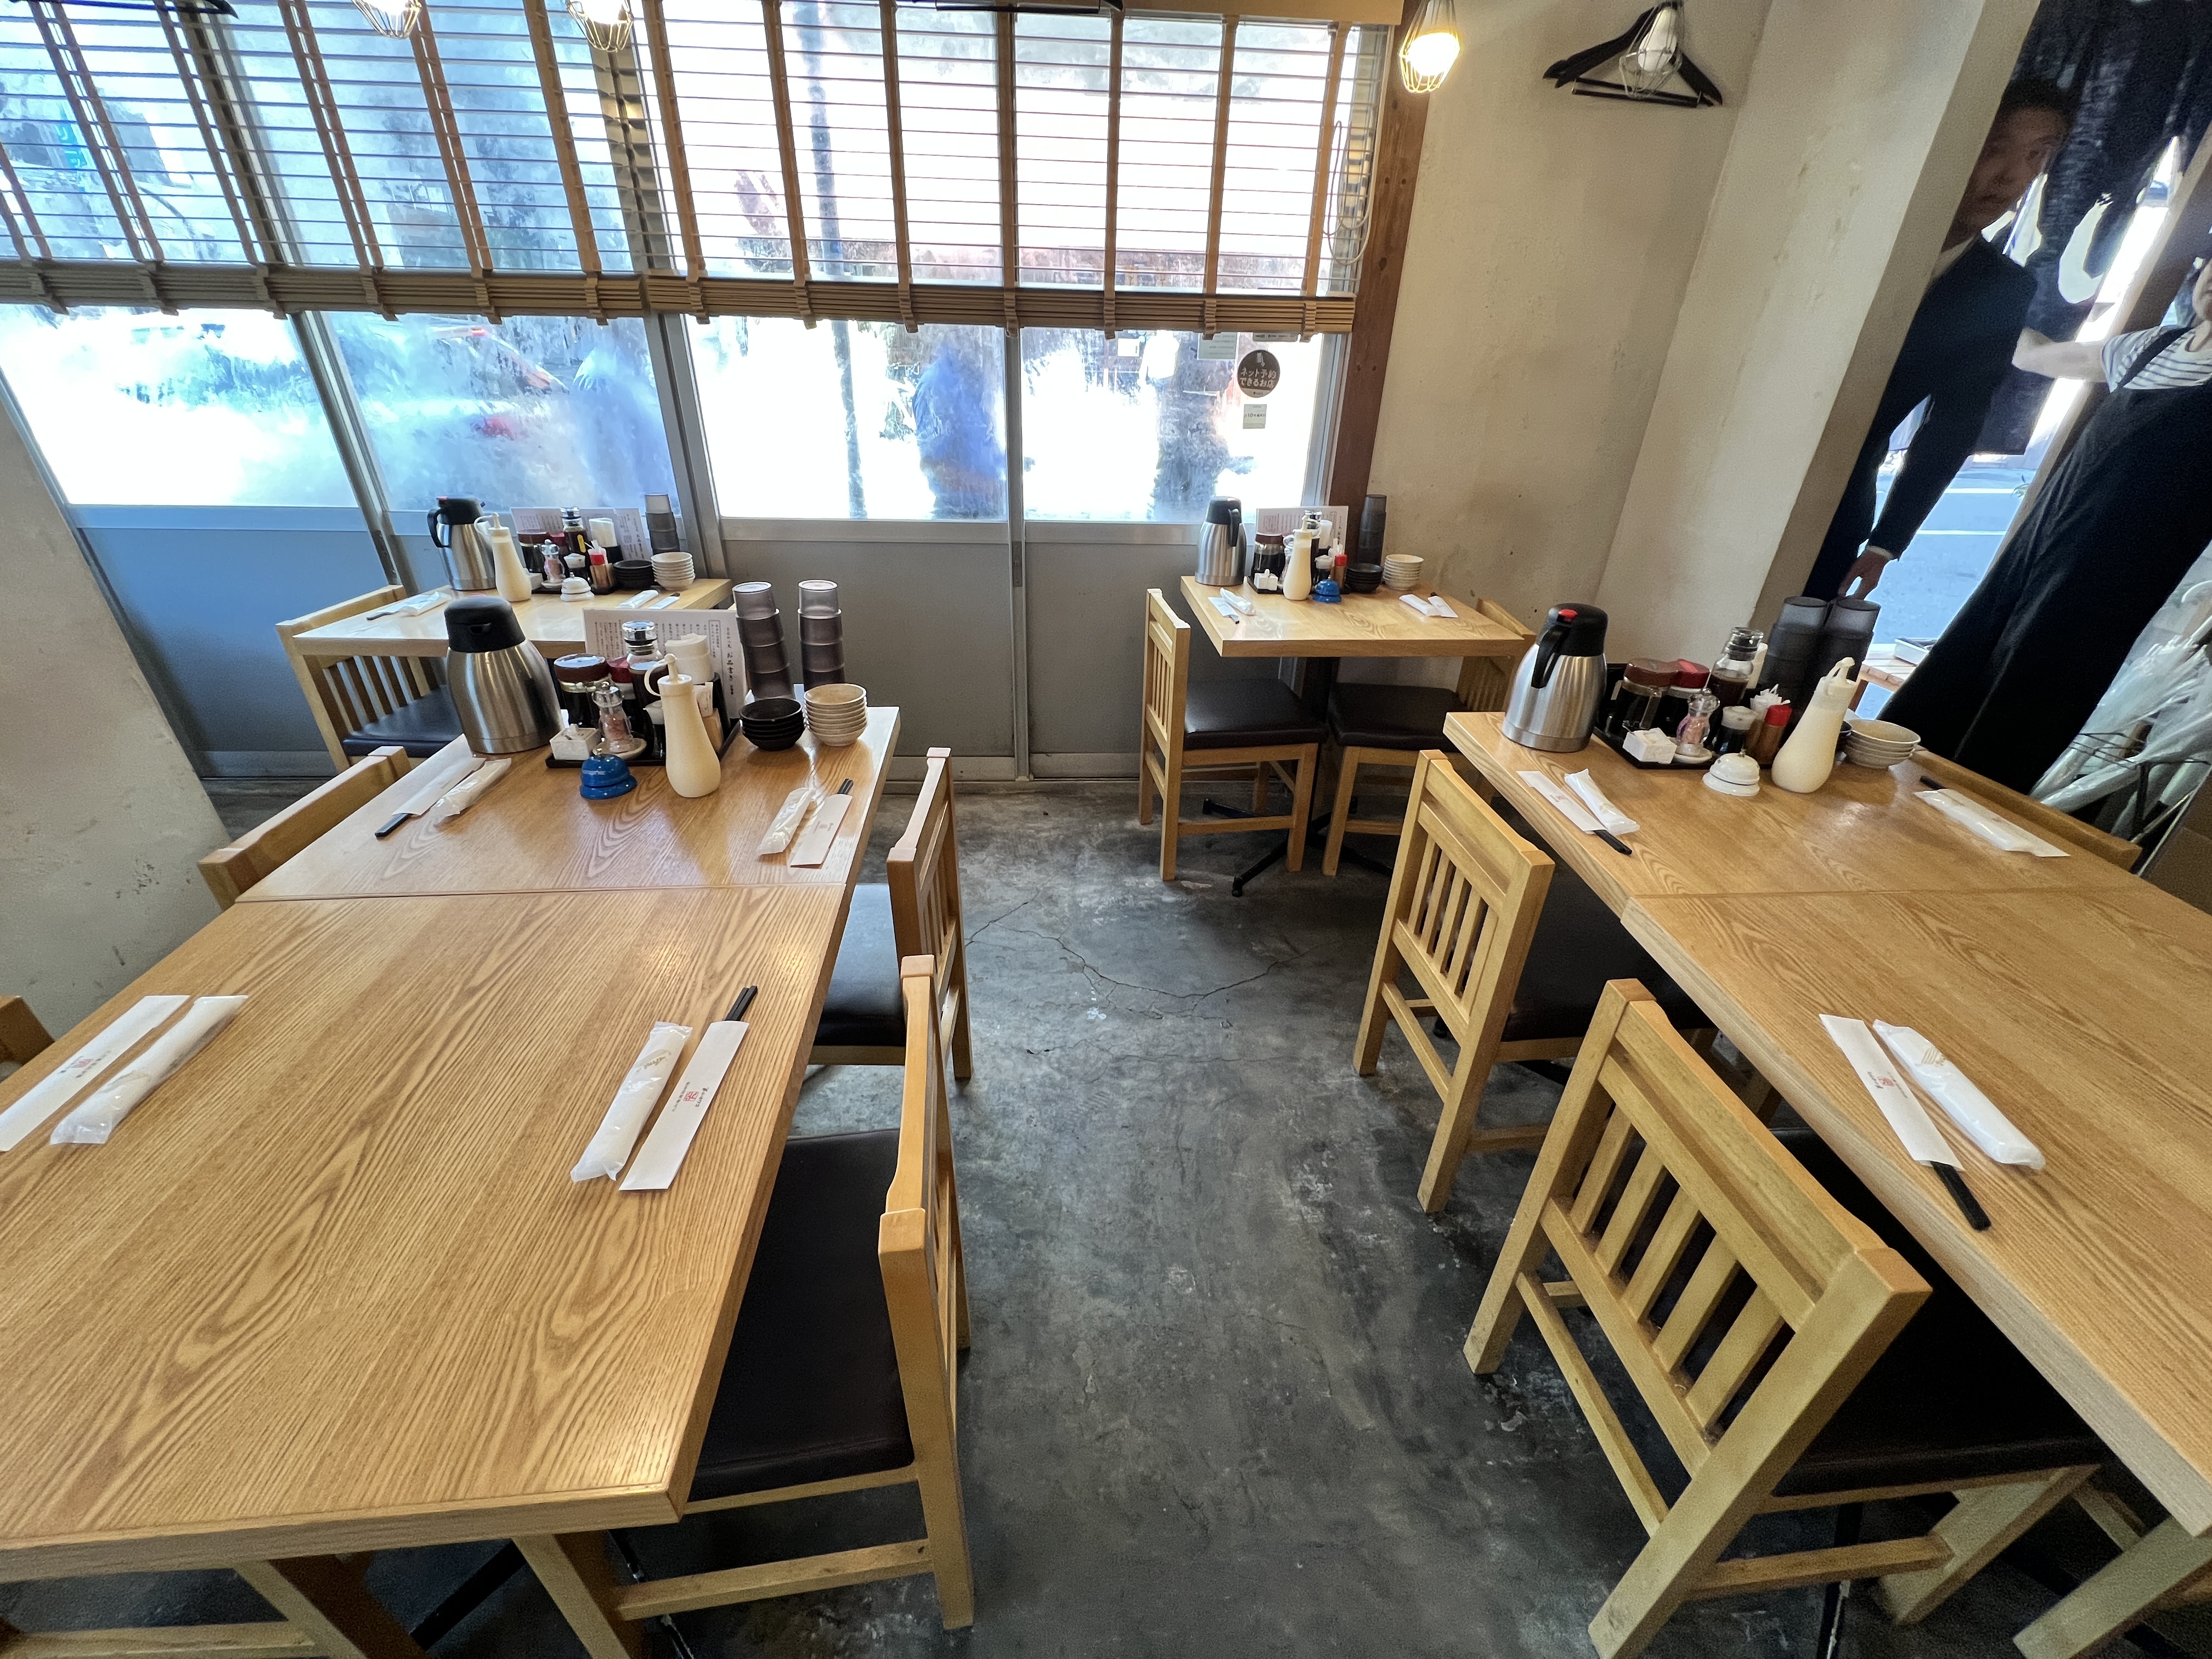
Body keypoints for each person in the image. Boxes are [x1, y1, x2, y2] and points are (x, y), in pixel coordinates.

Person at [1881, 249, 2212, 791]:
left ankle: (1959, 821)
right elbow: (2039, 357)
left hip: (2109, 584)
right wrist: (1993, 304)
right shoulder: (2151, 347)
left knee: (2025, 702)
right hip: (2039, 544)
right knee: (1961, 663)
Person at [1804, 81, 2075, 600]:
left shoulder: (2001, 289)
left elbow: (1955, 421)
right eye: (1995, 148)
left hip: (1834, 513)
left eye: (2036, 156)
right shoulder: (1843, 235)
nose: (2011, 176)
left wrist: (1887, 541)